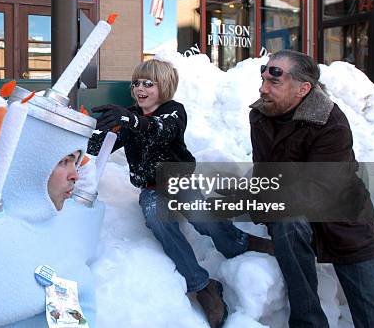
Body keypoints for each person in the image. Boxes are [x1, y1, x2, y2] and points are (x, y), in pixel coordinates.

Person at [87, 59, 273, 328]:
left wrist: (130, 120)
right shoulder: (128, 119)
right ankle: (203, 285)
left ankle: (236, 241)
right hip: (151, 188)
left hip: (178, 181)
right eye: (137, 83)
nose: (140, 88)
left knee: (200, 214)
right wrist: (84, 127)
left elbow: (161, 131)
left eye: (148, 83)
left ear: (165, 86)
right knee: (156, 219)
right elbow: (99, 146)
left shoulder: (173, 111)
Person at [250, 50, 374, 328]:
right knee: (287, 222)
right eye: (263, 79)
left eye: (274, 83)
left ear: (303, 89)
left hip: (344, 219)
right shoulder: (261, 115)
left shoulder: (331, 121)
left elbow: (321, 187)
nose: (263, 88)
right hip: (294, 211)